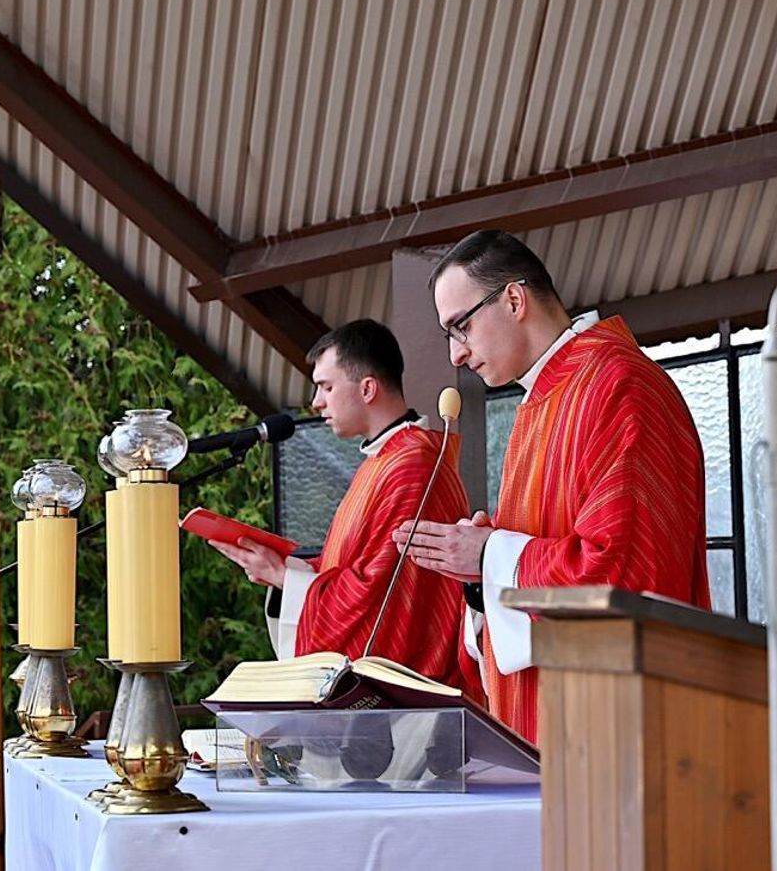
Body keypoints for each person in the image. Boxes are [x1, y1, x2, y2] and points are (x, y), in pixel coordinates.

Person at [392, 230, 712, 743]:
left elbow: (628, 575)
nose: (456, 355)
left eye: (461, 327)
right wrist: (481, 577)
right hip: (551, 721)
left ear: (514, 300)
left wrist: (492, 554)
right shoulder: (542, 400)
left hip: (612, 730)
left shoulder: (619, 384)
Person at [212, 320, 473, 691]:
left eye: (326, 386)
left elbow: (380, 599)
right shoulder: (382, 461)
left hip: (411, 694)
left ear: (367, 388)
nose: (317, 401)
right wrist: (286, 567)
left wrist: (286, 578)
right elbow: (353, 568)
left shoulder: (412, 467)